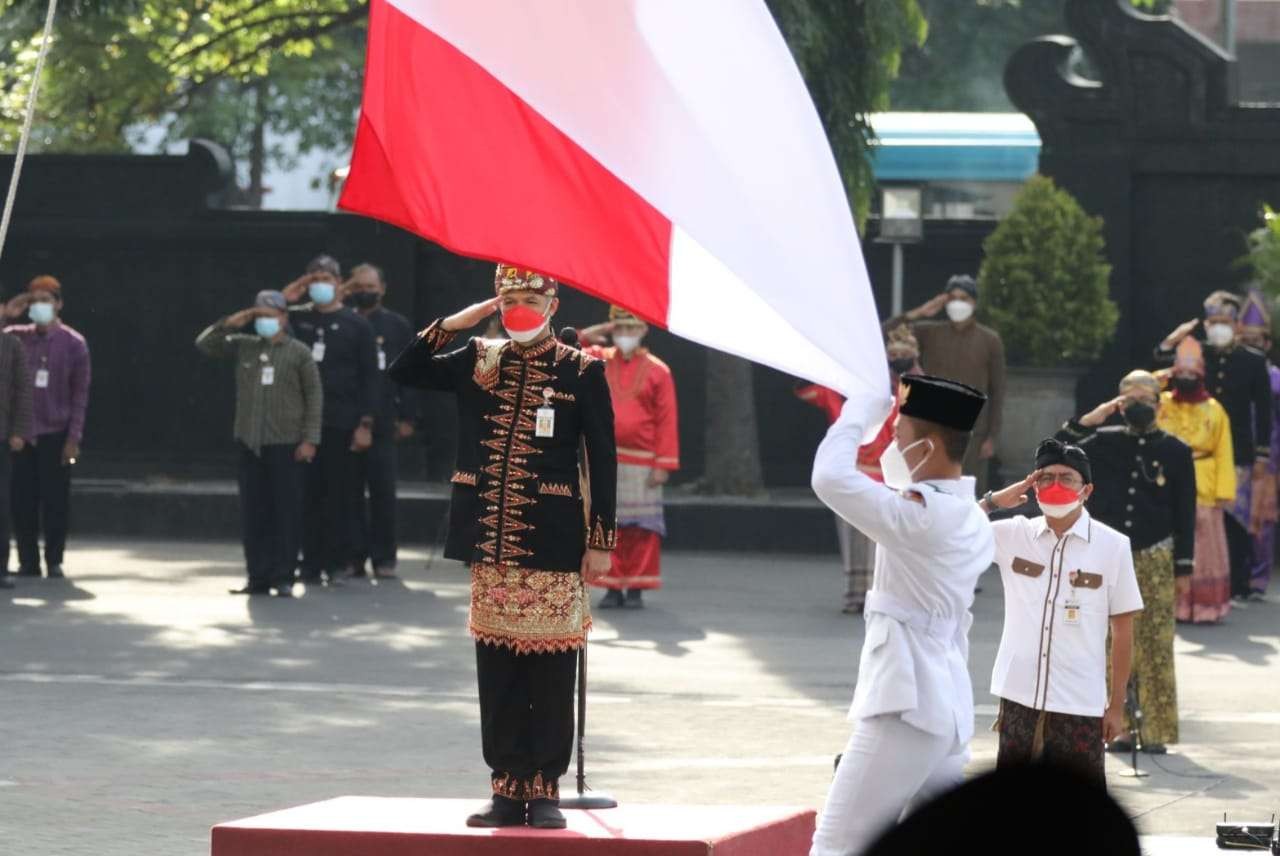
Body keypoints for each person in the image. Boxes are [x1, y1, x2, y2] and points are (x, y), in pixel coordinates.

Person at [387, 264, 616, 830]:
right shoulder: (479, 359)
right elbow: (405, 370)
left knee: (552, 668)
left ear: (552, 306)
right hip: (490, 537)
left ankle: (544, 788)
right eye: (507, 296)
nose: (517, 307)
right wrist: (462, 321)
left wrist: (602, 540)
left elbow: (603, 458)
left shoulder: (581, 370)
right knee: (498, 668)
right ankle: (505, 788)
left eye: (528, 298)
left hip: (554, 536)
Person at [809, 373, 992, 856]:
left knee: (836, 844)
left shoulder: (920, 516)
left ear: (928, 448)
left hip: (905, 704)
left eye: (899, 435)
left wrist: (855, 415)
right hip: (944, 706)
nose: (889, 441)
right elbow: (910, 491)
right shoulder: (970, 515)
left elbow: (829, 478)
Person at [980, 440, 1143, 785]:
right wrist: (994, 502)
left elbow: (1124, 629)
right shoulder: (1013, 535)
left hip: (1079, 701)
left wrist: (1116, 705)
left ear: (1087, 489)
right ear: (1032, 484)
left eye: (1067, 478)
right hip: (1019, 694)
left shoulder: (1112, 546)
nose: (1055, 485)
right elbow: (946, 531)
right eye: (1046, 477)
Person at [1056, 370, 1195, 753]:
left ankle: (1153, 729)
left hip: (1154, 554)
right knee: (1102, 640)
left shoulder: (1176, 450)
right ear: (1119, 404)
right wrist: (1092, 418)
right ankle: (1112, 726)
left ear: (1158, 404)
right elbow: (1057, 449)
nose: (1138, 406)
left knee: (1153, 643)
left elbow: (1186, 510)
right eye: (1129, 399)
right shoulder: (1101, 442)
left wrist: (1184, 566)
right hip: (1105, 554)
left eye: (1145, 399)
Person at [196, 290, 322, 597]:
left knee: (285, 513)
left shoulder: (299, 352)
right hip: (251, 444)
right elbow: (205, 344)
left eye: (271, 314)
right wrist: (236, 320)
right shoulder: (246, 347)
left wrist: (310, 439)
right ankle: (258, 576)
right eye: (260, 315)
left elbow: (314, 397)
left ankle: (283, 576)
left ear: (283, 317)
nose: (265, 320)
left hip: (287, 444)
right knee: (254, 514)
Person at [1155, 290, 1273, 601]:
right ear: (1206, 324)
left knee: (1235, 521)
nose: (1218, 327)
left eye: (1225, 321)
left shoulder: (1253, 360)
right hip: (1196, 450)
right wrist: (1173, 340)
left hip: (1238, 451)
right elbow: (1161, 368)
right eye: (1213, 321)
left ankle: (1237, 585)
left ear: (1236, 326)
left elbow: (1263, 412)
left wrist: (1262, 455)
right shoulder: (1197, 353)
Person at [796, 325, 921, 615]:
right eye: (894, 354)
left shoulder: (910, 388)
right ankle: (857, 595)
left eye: (905, 353)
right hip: (856, 473)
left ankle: (885, 595)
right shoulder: (850, 391)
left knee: (889, 540)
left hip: (894, 476)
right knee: (854, 538)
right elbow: (809, 390)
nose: (899, 357)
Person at [282, 258, 379, 586]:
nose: (320, 284)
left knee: (339, 495)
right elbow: (268, 318)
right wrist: (289, 296)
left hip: (343, 421)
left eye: (326, 278)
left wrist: (365, 424)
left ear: (340, 282)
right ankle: (309, 563)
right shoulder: (299, 319)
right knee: (306, 495)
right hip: (304, 423)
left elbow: (369, 378)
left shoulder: (356, 325)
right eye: (315, 279)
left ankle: (336, 562)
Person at [578, 306, 679, 609]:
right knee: (608, 524)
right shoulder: (598, 359)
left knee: (642, 528)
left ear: (644, 330)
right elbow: (568, 345)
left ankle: (635, 587)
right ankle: (611, 587)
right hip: (604, 458)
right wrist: (597, 332)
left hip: (643, 460)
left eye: (631, 329)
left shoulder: (659, 370)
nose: (625, 335)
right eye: (620, 329)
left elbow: (666, 419)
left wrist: (663, 464)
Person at [882, 274, 1005, 495]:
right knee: (930, 490)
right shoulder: (930, 331)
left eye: (964, 298)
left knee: (971, 493)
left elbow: (998, 391)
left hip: (973, 432)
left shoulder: (989, 340)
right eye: (952, 298)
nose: (957, 303)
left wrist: (992, 436)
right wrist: (919, 312)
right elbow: (887, 331)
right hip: (931, 429)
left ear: (974, 302)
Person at [3, 276, 90, 580]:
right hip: (21, 435)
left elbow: (80, 394)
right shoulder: (15, 336)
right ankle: (28, 561)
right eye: (34, 300)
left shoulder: (73, 343)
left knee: (55, 500)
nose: (39, 306)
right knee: (21, 500)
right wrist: (7, 313)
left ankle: (54, 559)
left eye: (46, 300)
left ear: (59, 304)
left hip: (57, 432)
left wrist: (73, 438)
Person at [344, 263, 419, 579]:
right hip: (346, 420)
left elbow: (412, 373)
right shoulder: (344, 323)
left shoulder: (396, 326)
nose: (364, 291)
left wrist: (409, 417)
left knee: (383, 493)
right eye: (358, 285)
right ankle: (352, 557)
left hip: (386, 420)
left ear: (383, 288)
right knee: (347, 493)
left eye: (370, 285)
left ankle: (384, 558)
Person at [1157, 337, 1234, 624]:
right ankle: (1171, 606)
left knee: (1206, 549)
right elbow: (1136, 391)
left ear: (1201, 375)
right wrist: (1162, 376)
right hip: (1167, 482)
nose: (1187, 378)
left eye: (1192, 374)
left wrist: (1224, 490)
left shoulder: (1215, 409)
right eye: (1182, 373)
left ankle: (1204, 607)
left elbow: (1224, 450)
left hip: (1205, 483)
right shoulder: (1162, 403)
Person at [1234, 290, 1278, 599]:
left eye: (1257, 340)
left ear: (1267, 344)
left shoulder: (1276, 378)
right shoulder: (1230, 373)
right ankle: (1235, 579)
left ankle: (1257, 581)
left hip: (1269, 457)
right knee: (1234, 516)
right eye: (1245, 339)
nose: (1252, 344)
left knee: (1261, 518)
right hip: (1234, 454)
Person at [0, 321, 31, 588]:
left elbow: (23, 391)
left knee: (1, 503)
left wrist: (19, 431)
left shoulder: (11, 345)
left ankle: (0, 568)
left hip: (2, 436)